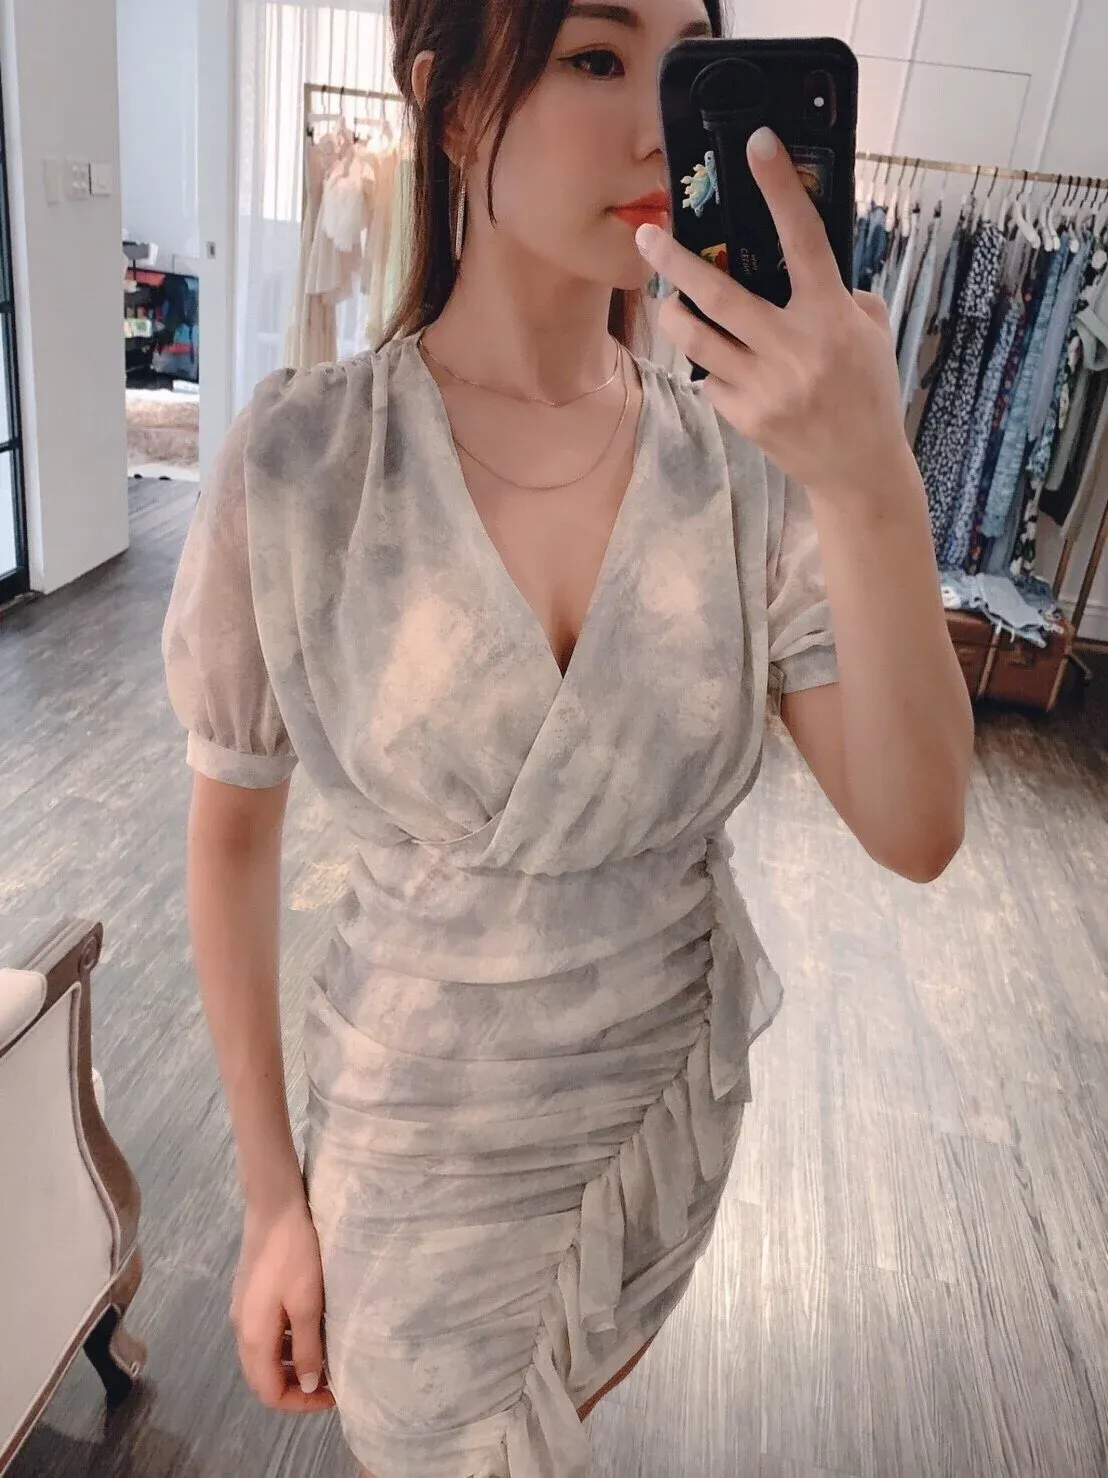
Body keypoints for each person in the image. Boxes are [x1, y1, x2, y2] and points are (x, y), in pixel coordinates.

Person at [161, 1, 975, 1474]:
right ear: (449, 99)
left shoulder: (741, 464)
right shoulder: (303, 465)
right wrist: (272, 1199)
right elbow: (229, 846)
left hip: (651, 1129)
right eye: (597, 59)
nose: (664, 125)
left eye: (689, 61)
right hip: (408, 1156)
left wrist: (874, 480)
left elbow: (917, 828)